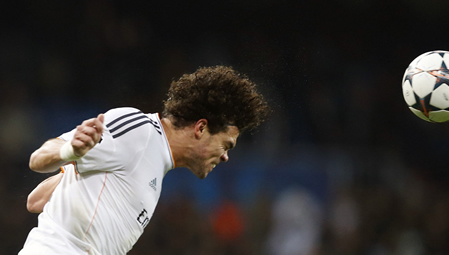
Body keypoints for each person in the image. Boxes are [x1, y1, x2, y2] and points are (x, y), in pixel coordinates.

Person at [19, 65, 269, 255]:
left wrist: (71, 172)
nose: (225, 156)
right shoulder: (139, 132)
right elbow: (39, 157)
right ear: (201, 128)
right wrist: (69, 151)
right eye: (226, 145)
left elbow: (36, 200)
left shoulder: (156, 165)